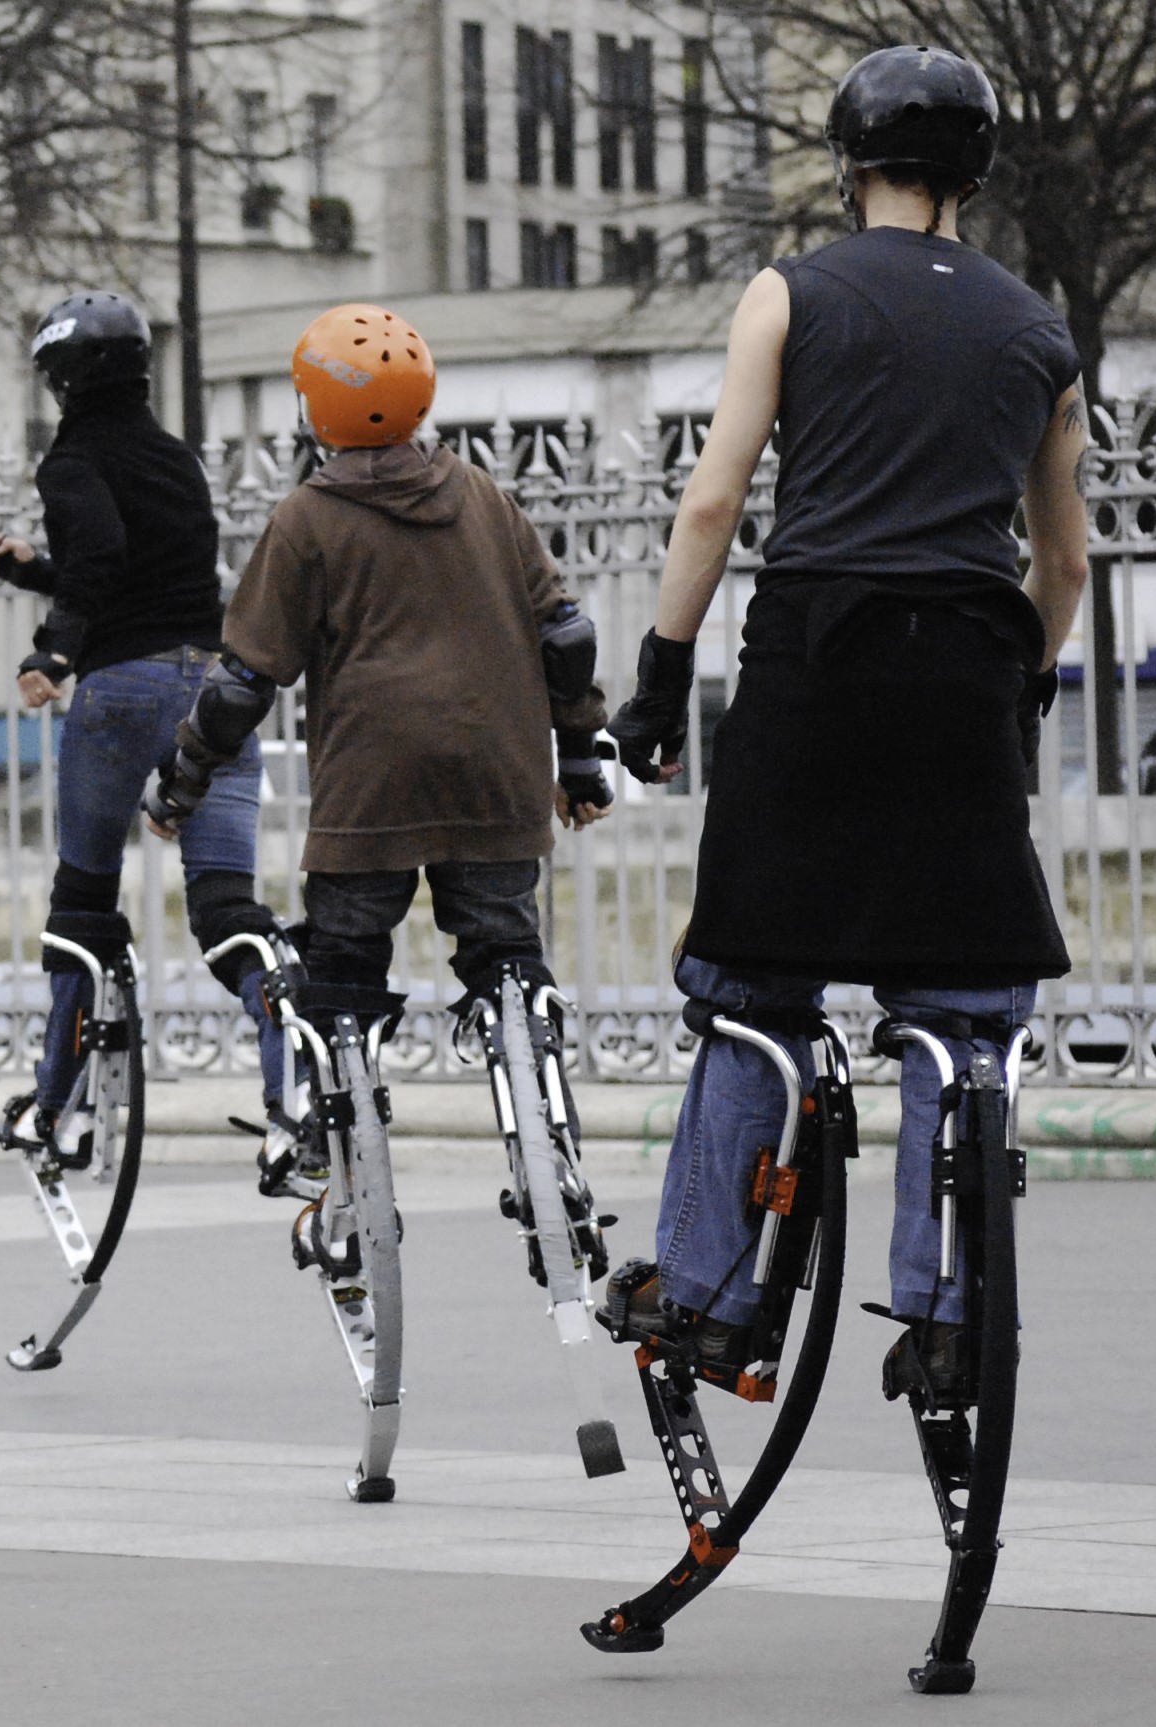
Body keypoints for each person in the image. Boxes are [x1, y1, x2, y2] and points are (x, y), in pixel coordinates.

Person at [600, 45, 1085, 1396]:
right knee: (964, 1008)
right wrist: (1024, 682)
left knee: (751, 983)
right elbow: (1064, 561)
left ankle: (709, 1292)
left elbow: (713, 500)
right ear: (976, 172)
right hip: (966, 663)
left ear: (848, 162)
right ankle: (946, 1314)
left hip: (815, 658)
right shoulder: (1039, 333)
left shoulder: (791, 293)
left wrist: (659, 678)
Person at [147, 304, 610, 1046]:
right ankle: (538, 1078)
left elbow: (243, 682)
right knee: (506, 951)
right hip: (495, 775)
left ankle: (347, 1097)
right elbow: (566, 635)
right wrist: (581, 760)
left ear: (316, 406)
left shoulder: (307, 519)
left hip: (371, 787)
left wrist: (184, 778)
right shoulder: (484, 497)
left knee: (344, 968)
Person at [0, 292, 284, 1146]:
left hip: (123, 691)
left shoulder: (72, 459)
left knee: (82, 901)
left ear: (65, 378)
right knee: (226, 906)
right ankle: (292, 1075)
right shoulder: (173, 456)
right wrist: (35, 571)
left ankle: (60, 1108)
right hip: (215, 692)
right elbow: (135, 569)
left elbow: (104, 558)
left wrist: (55, 651)